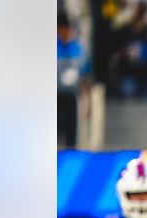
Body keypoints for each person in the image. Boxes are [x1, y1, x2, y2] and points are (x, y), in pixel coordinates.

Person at [57, 14, 90, 149]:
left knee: (71, 137)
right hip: (56, 98)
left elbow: (85, 75)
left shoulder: (78, 49)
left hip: (71, 97)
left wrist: (89, 103)